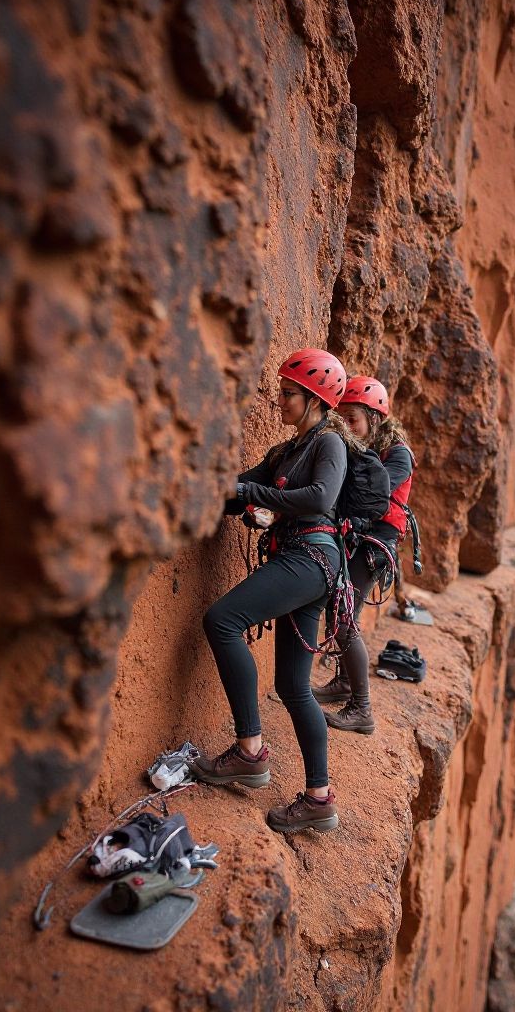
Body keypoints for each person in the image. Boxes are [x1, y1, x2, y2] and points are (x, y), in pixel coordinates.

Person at [193, 348, 361, 835]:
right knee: (292, 686)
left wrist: (251, 494)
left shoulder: (330, 442)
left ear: (315, 400)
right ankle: (319, 799)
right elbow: (241, 489)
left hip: (310, 559)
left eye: (289, 394)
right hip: (308, 563)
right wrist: (208, 487)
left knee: (222, 620)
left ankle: (249, 751)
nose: (279, 401)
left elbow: (320, 497)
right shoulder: (287, 451)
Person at [314, 376, 415, 734]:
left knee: (344, 618)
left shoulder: (397, 454)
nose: (347, 425)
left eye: (352, 418)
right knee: (341, 611)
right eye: (341, 418)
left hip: (376, 543)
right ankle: (344, 683)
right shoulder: (364, 448)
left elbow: (372, 493)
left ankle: (362, 709)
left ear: (374, 418)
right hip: (360, 538)